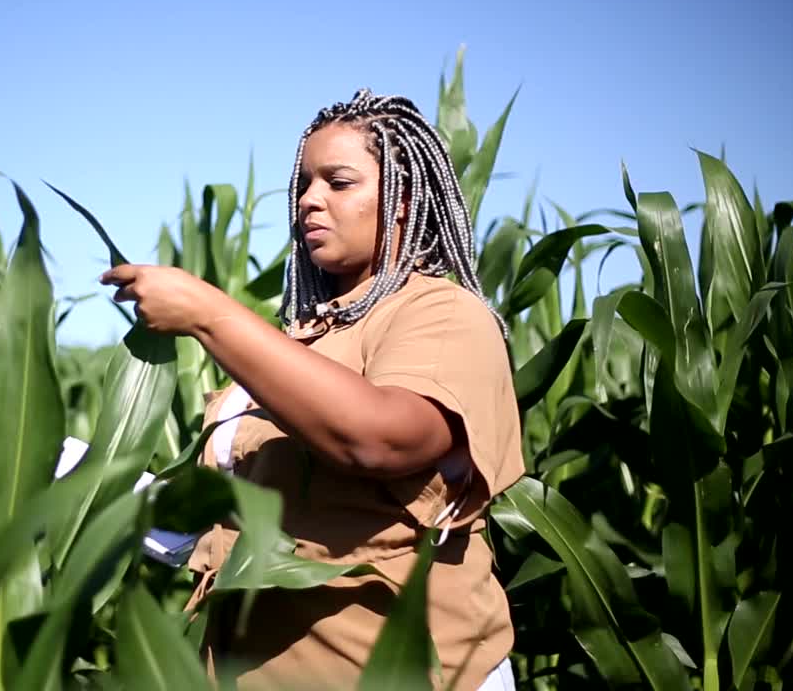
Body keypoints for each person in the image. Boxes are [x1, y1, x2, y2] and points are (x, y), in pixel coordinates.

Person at [98, 89, 524, 690]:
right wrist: (102, 493)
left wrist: (208, 314)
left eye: (338, 182)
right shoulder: (299, 344)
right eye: (302, 184)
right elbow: (243, 520)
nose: (308, 201)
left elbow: (380, 439)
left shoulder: (441, 314)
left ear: (403, 202)